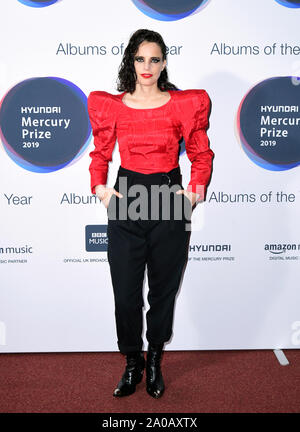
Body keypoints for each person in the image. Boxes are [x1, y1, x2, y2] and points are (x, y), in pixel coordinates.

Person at [87, 28, 214, 399]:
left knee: (162, 292)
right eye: (141, 59)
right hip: (127, 199)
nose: (147, 66)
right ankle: (132, 362)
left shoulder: (183, 104)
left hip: (168, 200)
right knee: (125, 294)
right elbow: (101, 153)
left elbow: (200, 153)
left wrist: (192, 195)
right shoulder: (111, 105)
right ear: (131, 61)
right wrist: (100, 189)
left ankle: (155, 359)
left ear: (163, 63)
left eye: (155, 59)